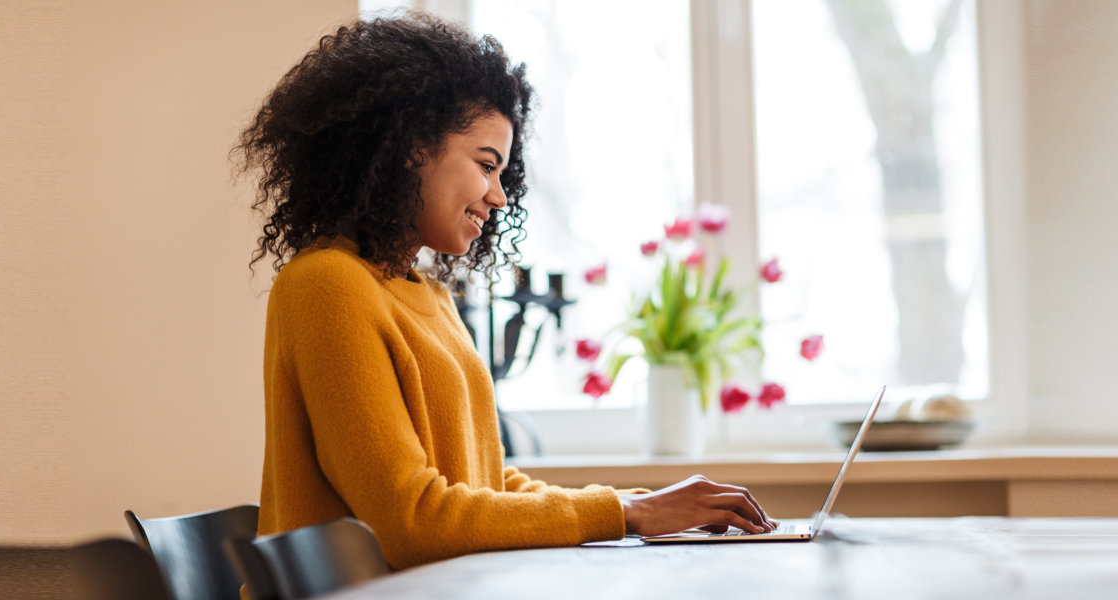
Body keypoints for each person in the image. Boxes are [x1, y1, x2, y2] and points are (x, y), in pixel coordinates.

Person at [237, 13, 777, 570]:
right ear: (410, 147)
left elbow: (485, 482)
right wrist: (625, 514)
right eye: (486, 165)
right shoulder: (327, 283)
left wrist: (633, 505)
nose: (498, 196)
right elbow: (410, 522)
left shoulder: (429, 296)